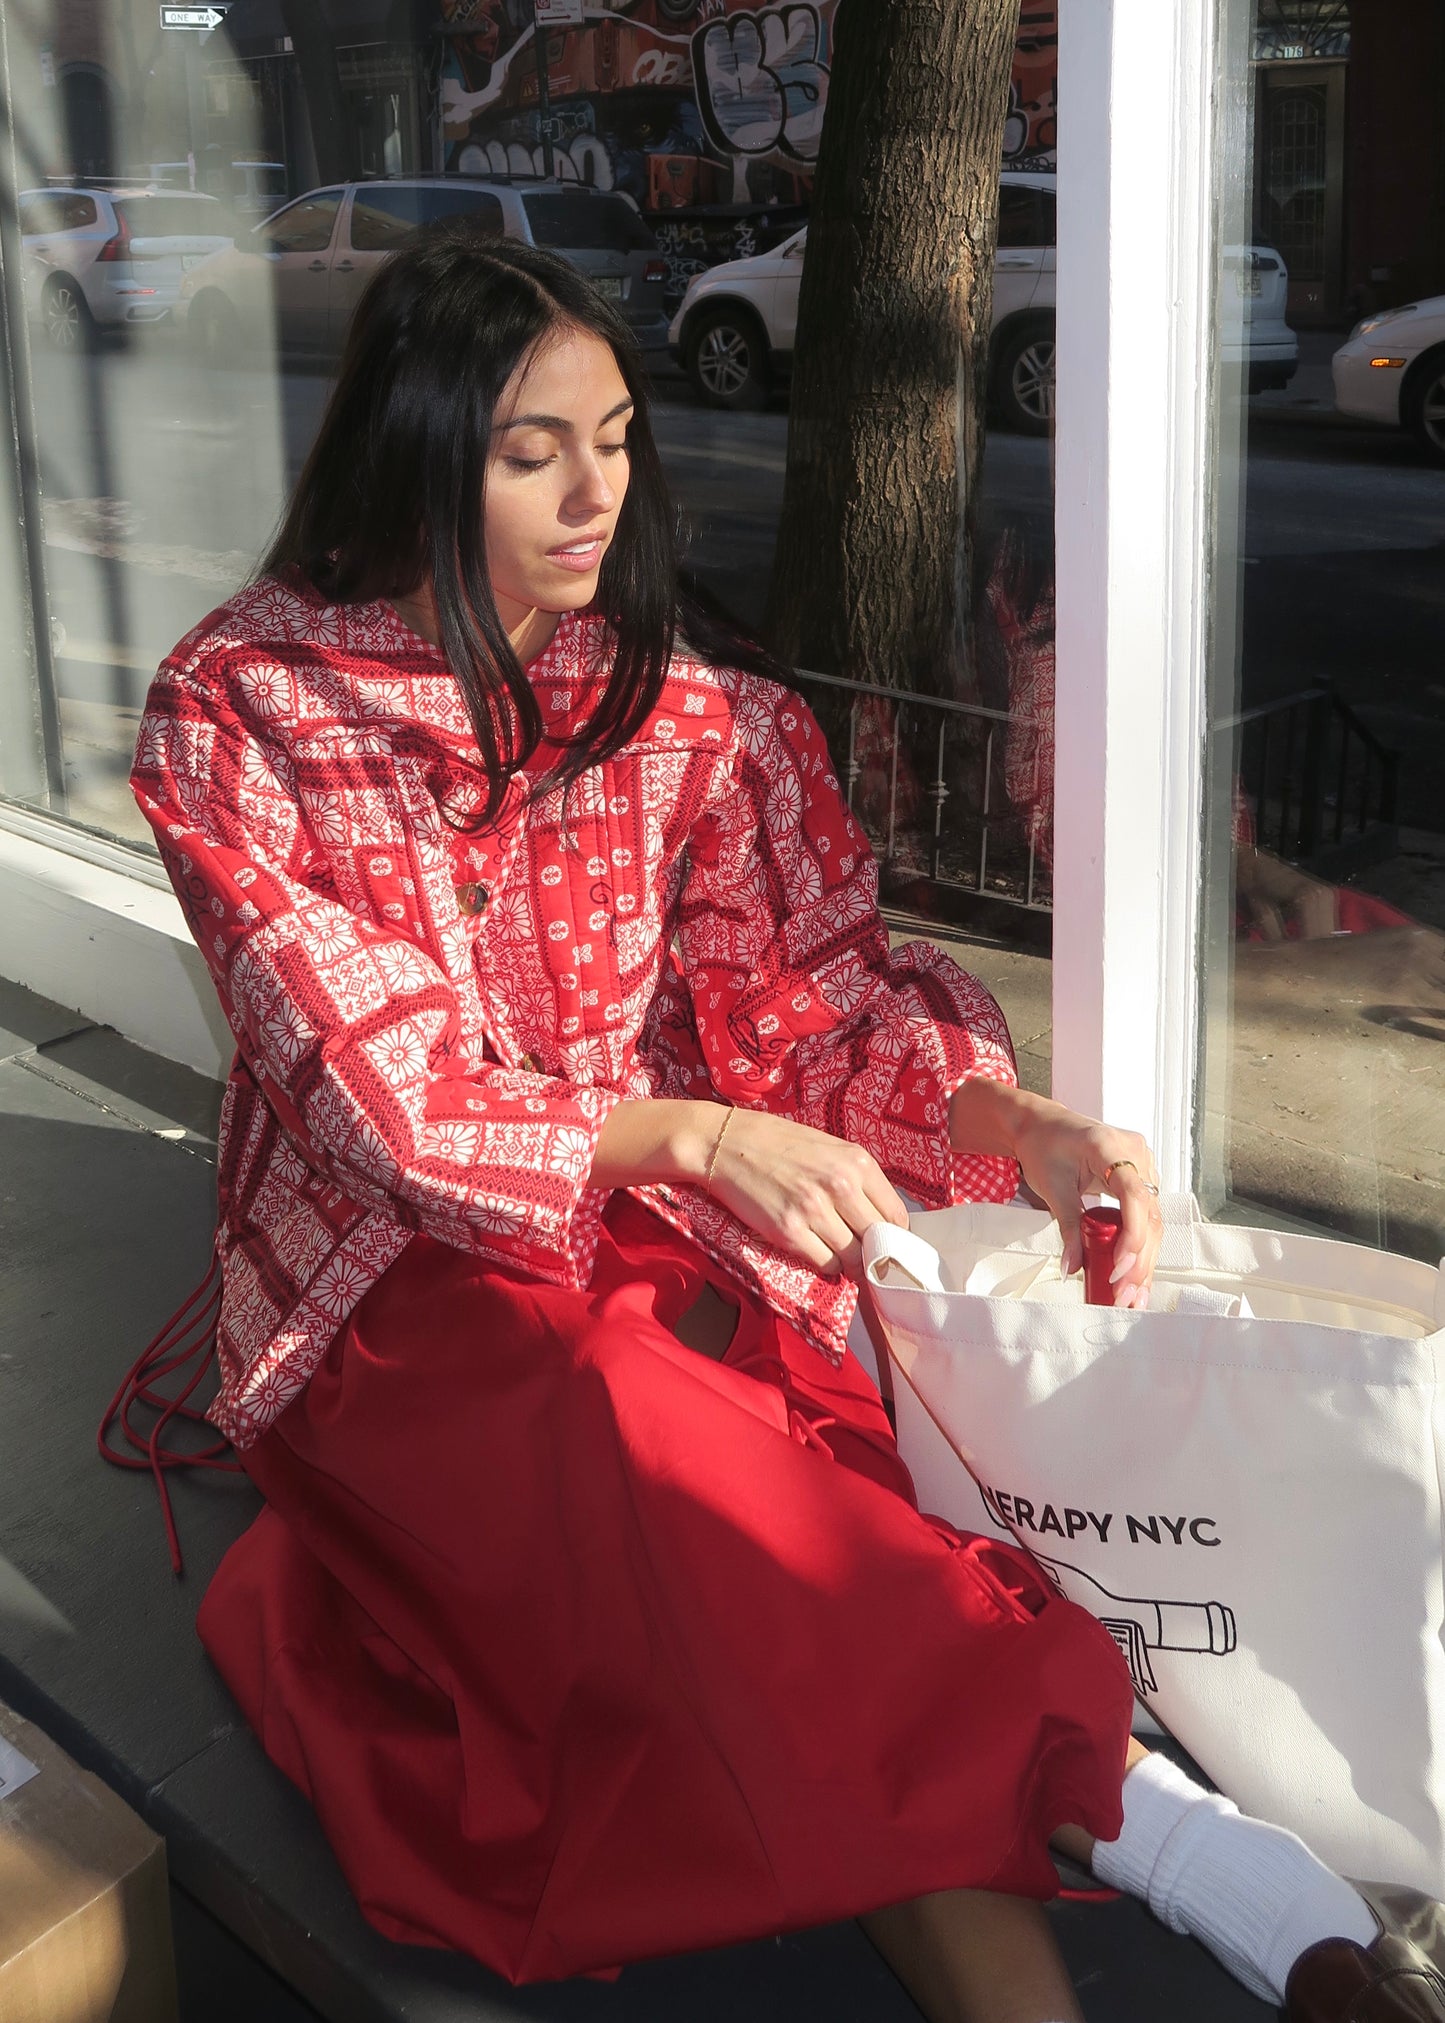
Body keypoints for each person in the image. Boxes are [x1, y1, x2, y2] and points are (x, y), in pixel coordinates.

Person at [127, 230, 1443, 2022]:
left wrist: (1013, 1121)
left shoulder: (689, 706)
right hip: (392, 1271)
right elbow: (378, 1093)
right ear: (412, 450)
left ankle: (1121, 1852)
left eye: (616, 434)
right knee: (665, 1457)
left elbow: (809, 1013)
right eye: (531, 451)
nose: (597, 493)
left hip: (659, 1238)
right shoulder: (247, 709)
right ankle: (1149, 1825)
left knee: (790, 1560)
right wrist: (682, 1137)